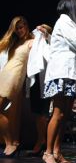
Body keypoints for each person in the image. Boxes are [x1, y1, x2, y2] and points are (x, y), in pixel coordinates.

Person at [42, 0, 76, 163]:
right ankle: (48, 153)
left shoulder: (68, 23)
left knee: (65, 116)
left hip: (70, 74)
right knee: (58, 114)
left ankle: (57, 152)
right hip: (62, 73)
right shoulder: (64, 21)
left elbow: (72, 48)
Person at [0, 16, 34, 157]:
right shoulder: (15, 42)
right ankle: (12, 142)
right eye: (17, 28)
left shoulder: (33, 42)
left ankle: (10, 143)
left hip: (15, 77)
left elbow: (46, 54)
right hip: (5, 74)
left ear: (26, 26)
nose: (19, 30)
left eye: (21, 27)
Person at [26, 24, 52, 156]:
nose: (39, 31)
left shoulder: (50, 43)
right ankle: (41, 139)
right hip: (35, 80)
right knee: (37, 113)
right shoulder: (32, 43)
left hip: (47, 80)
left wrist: (46, 35)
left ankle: (44, 142)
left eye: (43, 29)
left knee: (44, 114)